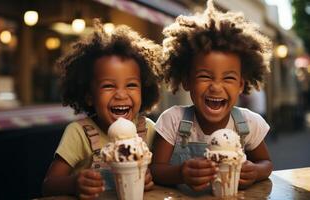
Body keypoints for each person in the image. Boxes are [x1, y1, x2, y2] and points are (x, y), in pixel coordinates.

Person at [151, 0, 273, 192]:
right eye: (205, 76)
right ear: (187, 81)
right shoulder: (172, 121)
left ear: (241, 85)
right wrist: (181, 173)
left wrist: (256, 171)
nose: (216, 87)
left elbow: (265, 162)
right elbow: (156, 169)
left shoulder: (249, 123)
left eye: (228, 78)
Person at [42, 19, 162, 199]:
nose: (121, 95)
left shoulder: (149, 130)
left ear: (144, 90)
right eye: (108, 86)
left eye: (131, 85)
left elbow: (162, 174)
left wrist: (151, 179)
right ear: (89, 96)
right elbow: (48, 185)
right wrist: (74, 183)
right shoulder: (80, 133)